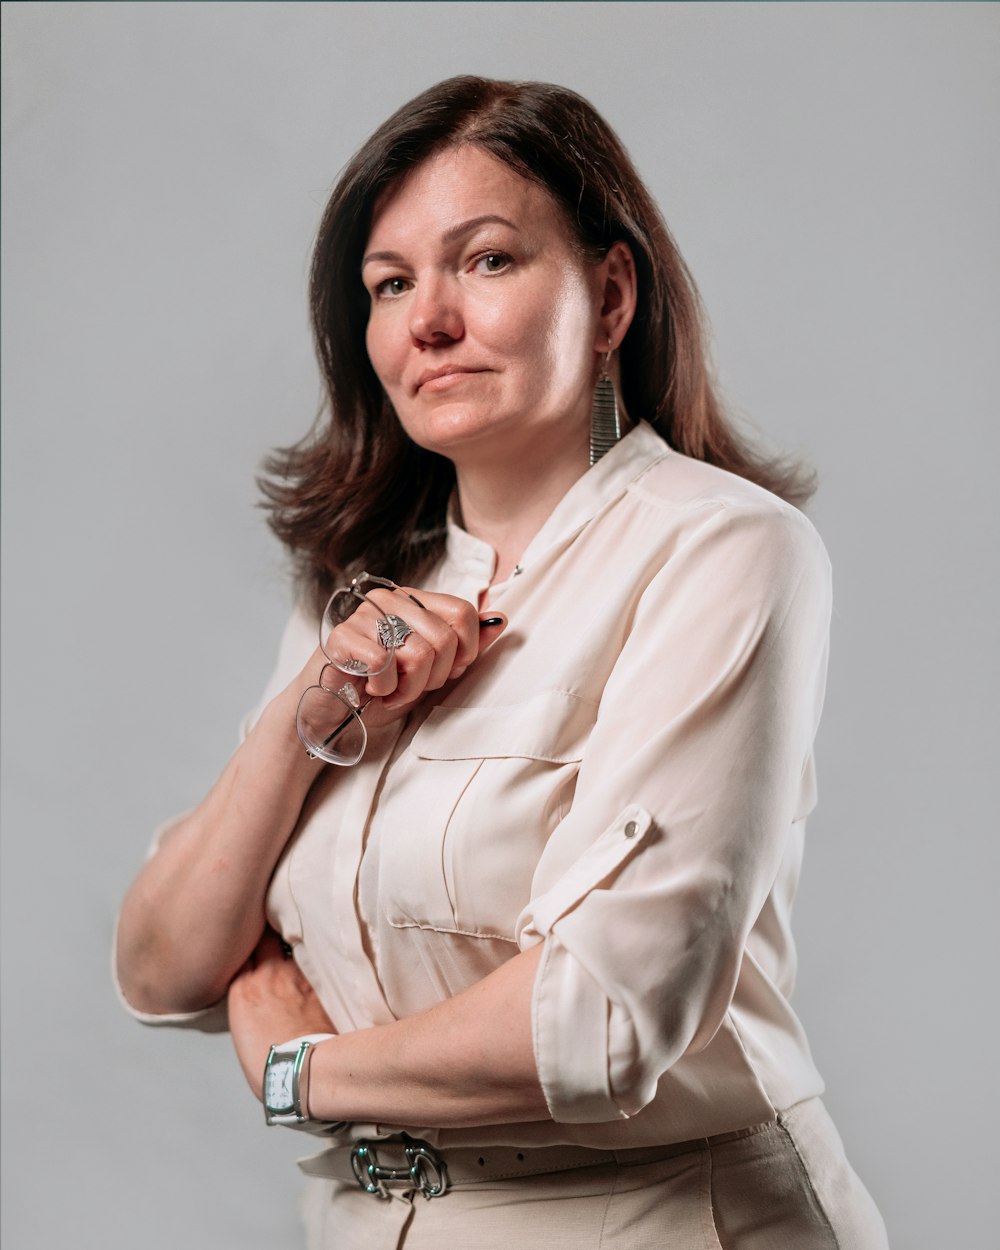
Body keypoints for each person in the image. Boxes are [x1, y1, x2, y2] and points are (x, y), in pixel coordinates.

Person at [115, 76, 889, 1250]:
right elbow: (161, 964)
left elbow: (605, 1018)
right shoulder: (360, 581)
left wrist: (298, 1070)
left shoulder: (721, 551)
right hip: (372, 1220)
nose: (427, 320)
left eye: (483, 262)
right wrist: (298, 723)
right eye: (389, 283)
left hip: (659, 1217)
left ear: (610, 293)